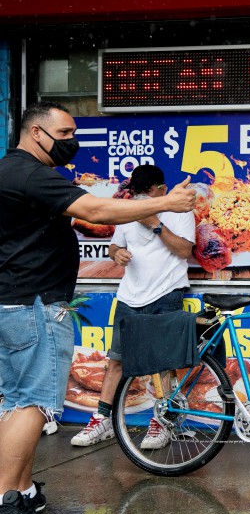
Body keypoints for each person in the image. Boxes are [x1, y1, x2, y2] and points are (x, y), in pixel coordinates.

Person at [0, 101, 195, 514]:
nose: (73, 142)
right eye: (65, 133)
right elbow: (97, 212)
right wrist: (168, 201)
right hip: (34, 305)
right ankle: (4, 502)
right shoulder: (31, 173)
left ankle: (23, 489)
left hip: (15, 302)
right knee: (34, 404)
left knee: (16, 404)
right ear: (36, 133)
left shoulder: (9, 172)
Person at [71, 164, 196, 450]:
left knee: (163, 362)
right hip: (129, 296)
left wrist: (154, 222)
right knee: (116, 361)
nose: (141, 203)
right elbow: (114, 246)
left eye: (147, 196)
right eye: (137, 198)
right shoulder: (126, 212)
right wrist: (118, 254)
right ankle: (102, 419)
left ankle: (162, 420)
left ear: (162, 191)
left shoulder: (181, 211)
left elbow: (184, 250)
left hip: (166, 294)